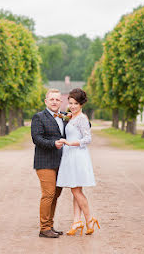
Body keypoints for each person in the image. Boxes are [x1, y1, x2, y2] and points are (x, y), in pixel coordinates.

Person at [56, 88, 100, 236]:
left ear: (81, 104)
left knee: (75, 190)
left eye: (75, 103)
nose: (72, 106)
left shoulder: (82, 118)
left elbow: (87, 139)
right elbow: (61, 116)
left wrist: (69, 143)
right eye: (70, 103)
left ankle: (89, 219)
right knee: (76, 190)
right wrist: (66, 115)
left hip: (77, 156)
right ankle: (76, 221)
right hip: (70, 156)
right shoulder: (72, 116)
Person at [31, 89, 67, 238]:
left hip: (61, 162)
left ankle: (50, 226)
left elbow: (86, 124)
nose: (54, 102)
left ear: (61, 102)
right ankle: (44, 228)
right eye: (51, 99)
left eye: (57, 100)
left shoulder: (64, 117)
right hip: (44, 162)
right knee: (48, 194)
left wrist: (76, 114)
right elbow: (37, 139)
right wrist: (54, 144)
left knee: (56, 195)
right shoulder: (39, 117)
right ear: (46, 102)